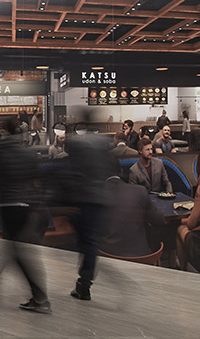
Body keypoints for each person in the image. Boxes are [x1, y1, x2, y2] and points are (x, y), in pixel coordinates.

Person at [0, 117, 50, 313]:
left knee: (16, 250)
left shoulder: (0, 152)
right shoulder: (28, 154)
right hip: (24, 205)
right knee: (11, 246)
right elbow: (37, 180)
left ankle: (40, 297)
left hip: (8, 204)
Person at [63, 119, 114, 301]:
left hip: (82, 199)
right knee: (90, 242)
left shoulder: (76, 145)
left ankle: (83, 282)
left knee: (84, 241)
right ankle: (85, 282)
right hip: (98, 199)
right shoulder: (102, 145)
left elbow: (71, 171)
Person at [101, 174, 161, 258]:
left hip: (106, 258)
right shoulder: (140, 190)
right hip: (140, 258)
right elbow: (159, 219)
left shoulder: (93, 195)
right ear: (121, 171)